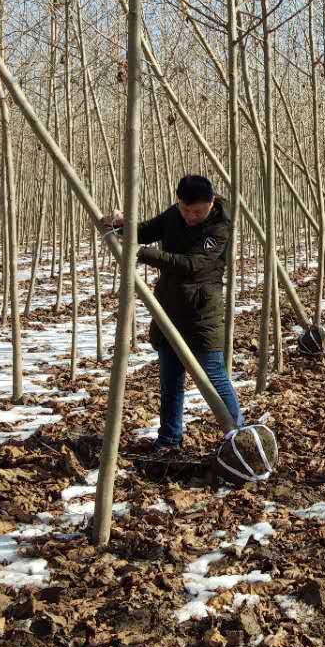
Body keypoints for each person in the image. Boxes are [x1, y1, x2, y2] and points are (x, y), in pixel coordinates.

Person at [100, 174, 244, 452]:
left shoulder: (220, 226)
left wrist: (140, 253)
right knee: (170, 380)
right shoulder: (173, 215)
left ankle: (239, 436)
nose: (191, 216)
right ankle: (169, 439)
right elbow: (144, 231)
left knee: (214, 374)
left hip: (202, 311)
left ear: (211, 203)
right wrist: (121, 224)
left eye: (198, 211)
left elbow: (191, 265)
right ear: (178, 202)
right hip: (168, 307)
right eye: (185, 209)